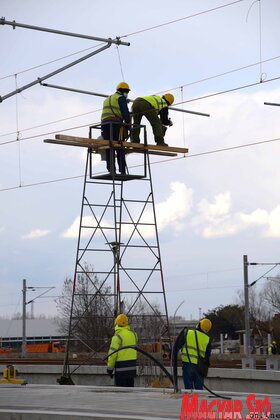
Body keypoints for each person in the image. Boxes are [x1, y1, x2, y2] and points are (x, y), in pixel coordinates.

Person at [101, 82, 131, 174]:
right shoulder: (120, 98)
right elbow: (125, 112)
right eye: (126, 91)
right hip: (115, 124)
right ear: (122, 91)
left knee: (109, 146)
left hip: (105, 124)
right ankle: (122, 170)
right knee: (119, 145)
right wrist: (128, 124)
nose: (127, 93)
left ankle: (111, 170)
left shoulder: (108, 99)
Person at [176, 318, 212, 390]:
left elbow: (177, 346)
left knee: (189, 389)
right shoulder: (207, 339)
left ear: (199, 325)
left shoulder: (188, 333)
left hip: (188, 365)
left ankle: (190, 401)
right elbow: (207, 356)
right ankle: (197, 401)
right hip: (200, 367)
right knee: (199, 389)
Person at [107, 313, 138, 387]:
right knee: (130, 394)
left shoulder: (117, 337)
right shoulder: (134, 335)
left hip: (121, 372)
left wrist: (110, 369)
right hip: (131, 370)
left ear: (116, 324)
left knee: (121, 394)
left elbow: (112, 355)